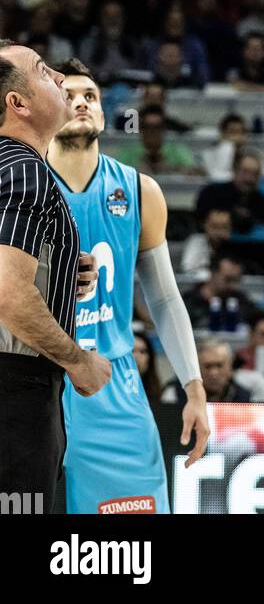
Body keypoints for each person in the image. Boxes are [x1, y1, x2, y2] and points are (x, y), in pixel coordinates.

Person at [47, 58, 209, 514]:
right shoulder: (21, 186)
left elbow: (162, 297)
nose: (80, 102)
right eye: (67, 95)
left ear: (101, 114)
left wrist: (194, 389)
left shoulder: (140, 191)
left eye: (90, 96)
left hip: (112, 380)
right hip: (38, 375)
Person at [0, 43, 109, 512]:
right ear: (18, 103)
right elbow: (6, 291)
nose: (62, 80)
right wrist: (77, 361)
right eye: (45, 73)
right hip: (15, 391)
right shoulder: (25, 169)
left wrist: (59, 270)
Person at [195, 147, 264, 234]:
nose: (249, 178)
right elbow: (200, 221)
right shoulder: (211, 193)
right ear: (234, 171)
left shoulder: (262, 202)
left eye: (255, 174)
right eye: (245, 172)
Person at [115, 102, 204, 176]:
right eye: (147, 127)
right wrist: (137, 171)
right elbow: (116, 176)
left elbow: (197, 172)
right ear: (140, 129)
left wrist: (172, 169)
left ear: (164, 129)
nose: (152, 132)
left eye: (157, 127)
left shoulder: (177, 150)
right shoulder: (128, 152)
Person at [183, 253, 263, 332]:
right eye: (228, 279)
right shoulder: (189, 301)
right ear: (213, 273)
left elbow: (260, 320)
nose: (232, 286)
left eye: (236, 280)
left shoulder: (240, 300)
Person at [180, 207, 232, 279]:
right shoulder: (196, 241)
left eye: (224, 227)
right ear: (204, 225)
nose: (219, 232)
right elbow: (188, 269)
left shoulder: (234, 245)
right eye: (214, 226)